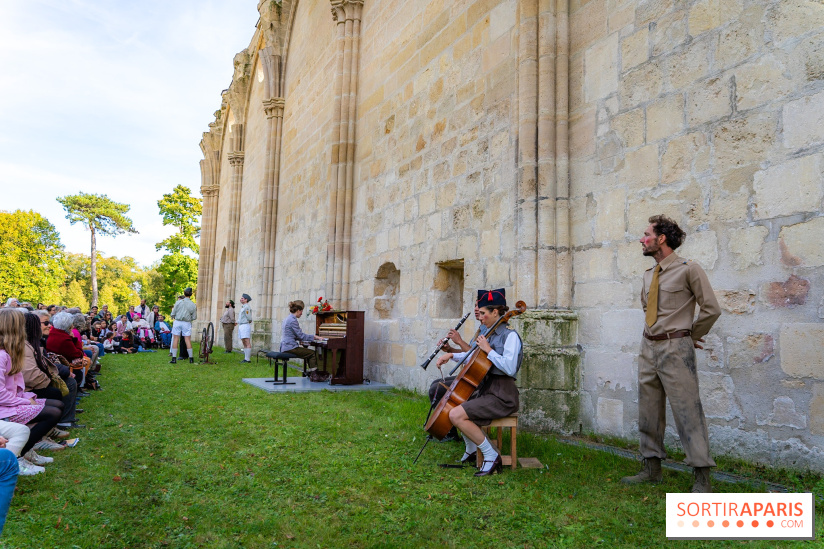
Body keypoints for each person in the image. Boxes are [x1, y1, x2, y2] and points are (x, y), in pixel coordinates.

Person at [621, 215, 721, 493]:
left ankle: (702, 478)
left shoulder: (690, 269)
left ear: (661, 238)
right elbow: (648, 310)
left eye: (646, 234)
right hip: (648, 346)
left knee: (688, 410)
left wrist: (691, 336)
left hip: (675, 348)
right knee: (648, 409)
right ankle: (651, 468)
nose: (642, 239)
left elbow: (711, 308)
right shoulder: (647, 275)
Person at [435, 289, 523, 477]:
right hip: (486, 389)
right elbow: (476, 358)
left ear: (495, 313)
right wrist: (451, 355)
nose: (480, 317)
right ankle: (472, 450)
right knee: (454, 405)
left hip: (502, 395)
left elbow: (510, 368)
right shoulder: (488, 334)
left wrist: (489, 350)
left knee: (457, 414)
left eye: (483, 313)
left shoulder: (510, 336)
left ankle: (491, 456)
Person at [0, 309, 64, 474]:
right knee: (52, 413)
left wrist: (28, 397)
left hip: (10, 403)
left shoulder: (10, 351)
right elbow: (1, 394)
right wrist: (26, 401)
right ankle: (18, 456)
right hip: (3, 409)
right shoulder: (2, 356)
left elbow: (15, 388)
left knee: (55, 405)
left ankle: (26, 450)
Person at [427, 294, 489, 442]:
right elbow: (466, 354)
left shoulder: (488, 330)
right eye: (474, 306)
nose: (475, 309)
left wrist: (459, 341)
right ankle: (446, 429)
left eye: (479, 306)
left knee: (437, 389)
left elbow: (476, 357)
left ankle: (448, 431)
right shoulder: (480, 329)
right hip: (471, 375)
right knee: (436, 384)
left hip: (478, 379)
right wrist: (450, 349)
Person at [279, 300, 320, 370]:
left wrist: (301, 339)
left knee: (307, 353)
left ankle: (310, 374)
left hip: (285, 346)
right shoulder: (292, 320)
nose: (301, 313)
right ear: (298, 310)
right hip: (290, 348)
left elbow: (295, 335)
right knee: (312, 353)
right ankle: (314, 375)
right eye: (301, 311)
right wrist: (315, 337)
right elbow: (301, 336)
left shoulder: (287, 318)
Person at [169, 287, 197, 364]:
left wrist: (175, 315)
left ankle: (174, 358)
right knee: (187, 339)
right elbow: (194, 317)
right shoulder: (193, 305)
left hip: (178, 321)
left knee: (175, 339)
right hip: (186, 322)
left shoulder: (178, 302)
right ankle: (191, 358)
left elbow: (173, 313)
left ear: (184, 294)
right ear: (191, 294)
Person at [237, 294, 253, 363]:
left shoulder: (246, 307)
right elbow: (241, 317)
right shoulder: (243, 307)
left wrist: (248, 321)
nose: (241, 299)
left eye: (242, 298)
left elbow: (249, 317)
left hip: (245, 325)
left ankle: (248, 359)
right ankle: (246, 358)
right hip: (241, 325)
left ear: (246, 300)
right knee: (244, 341)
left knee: (247, 341)